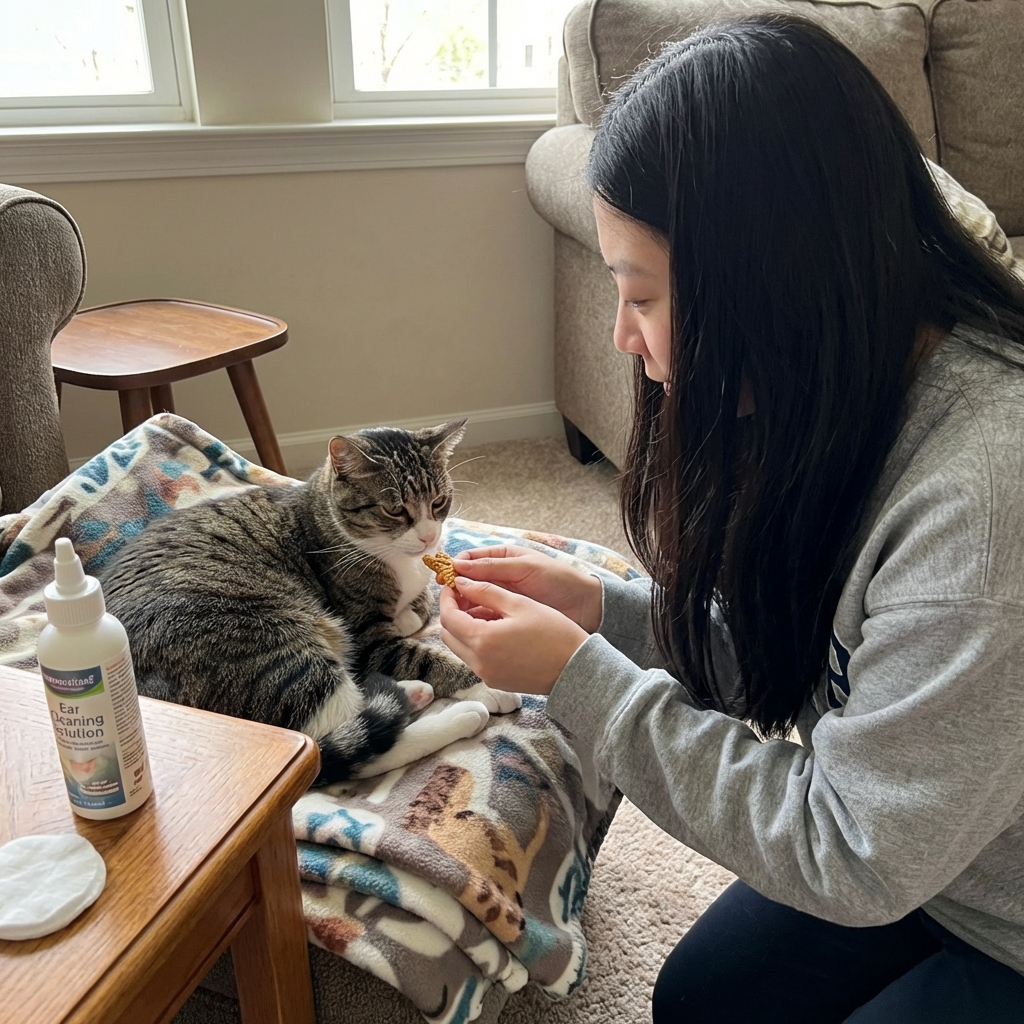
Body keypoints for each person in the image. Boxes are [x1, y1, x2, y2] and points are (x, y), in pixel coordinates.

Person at [437, 14, 1024, 1024]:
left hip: (987, 901)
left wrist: (584, 684)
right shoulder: (843, 390)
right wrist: (607, 615)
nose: (623, 334)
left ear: (771, 285)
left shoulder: (976, 514)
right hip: (933, 844)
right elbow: (811, 662)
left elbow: (852, 855)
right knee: (702, 1003)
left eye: (645, 296)